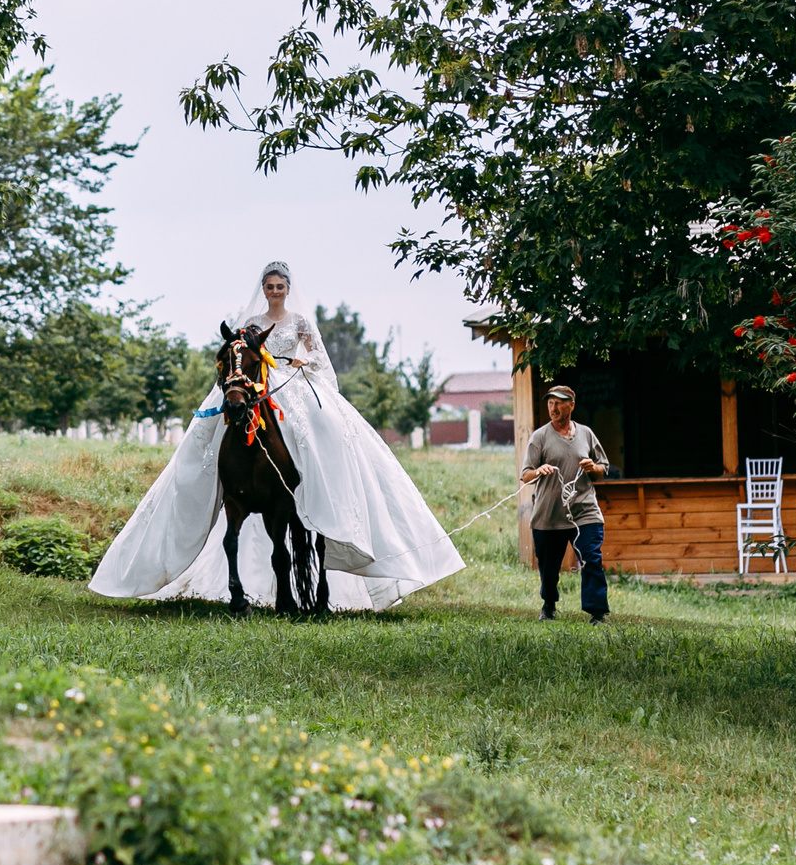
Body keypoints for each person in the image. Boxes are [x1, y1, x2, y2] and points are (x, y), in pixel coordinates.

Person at [89, 260, 466, 610]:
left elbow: (319, 357)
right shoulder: (252, 323)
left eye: (279, 286)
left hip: (291, 382)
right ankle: (204, 486)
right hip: (257, 384)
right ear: (264, 289)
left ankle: (322, 483)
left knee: (322, 426)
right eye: (269, 286)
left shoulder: (299, 322)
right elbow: (239, 356)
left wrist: (304, 360)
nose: (274, 291)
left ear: (287, 289)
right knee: (210, 432)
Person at [520, 385, 609, 622]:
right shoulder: (540, 437)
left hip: (584, 511)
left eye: (559, 403)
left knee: (592, 558)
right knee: (548, 568)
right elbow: (525, 475)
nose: (554, 407)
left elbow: (602, 469)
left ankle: (597, 613)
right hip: (549, 514)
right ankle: (549, 604)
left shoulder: (586, 434)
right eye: (550, 403)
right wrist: (539, 470)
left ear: (571, 405)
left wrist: (593, 468)